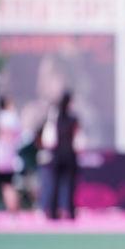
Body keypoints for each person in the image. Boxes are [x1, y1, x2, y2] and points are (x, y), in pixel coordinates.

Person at [38, 92, 80, 220]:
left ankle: (53, 211)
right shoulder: (72, 119)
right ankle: (70, 211)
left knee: (55, 184)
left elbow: (48, 140)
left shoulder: (55, 120)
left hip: (57, 155)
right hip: (69, 155)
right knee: (69, 185)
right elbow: (78, 138)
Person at [0, 96, 23, 213]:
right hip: (10, 156)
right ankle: (13, 210)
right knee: (8, 184)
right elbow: (19, 137)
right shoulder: (13, 118)